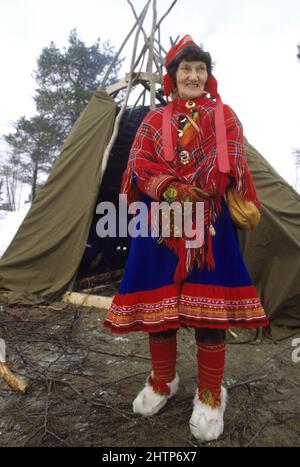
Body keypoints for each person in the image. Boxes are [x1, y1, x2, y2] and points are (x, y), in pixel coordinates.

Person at [103, 35, 268, 442]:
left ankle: (211, 395)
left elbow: (228, 162)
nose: (193, 76)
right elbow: (139, 165)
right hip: (158, 227)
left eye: (200, 69)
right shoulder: (152, 120)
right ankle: (163, 381)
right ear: (172, 78)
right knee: (160, 314)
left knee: (209, 315)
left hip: (209, 227)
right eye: (185, 69)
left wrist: (197, 188)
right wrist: (171, 189)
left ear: (208, 76)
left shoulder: (224, 116)